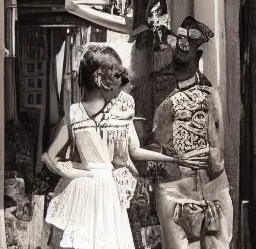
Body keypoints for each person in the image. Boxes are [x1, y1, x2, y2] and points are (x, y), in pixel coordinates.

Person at [41, 43, 204, 249]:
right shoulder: (76, 114)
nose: (121, 83)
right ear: (101, 80)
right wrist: (77, 171)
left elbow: (132, 151)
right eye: (116, 76)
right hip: (97, 188)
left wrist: (172, 158)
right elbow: (51, 156)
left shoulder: (99, 112)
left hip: (101, 188)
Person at [152, 16, 233, 249]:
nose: (181, 48)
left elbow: (218, 148)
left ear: (198, 57)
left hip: (212, 187)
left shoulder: (210, 95)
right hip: (176, 191)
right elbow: (146, 153)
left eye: (188, 46)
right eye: (178, 43)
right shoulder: (161, 99)